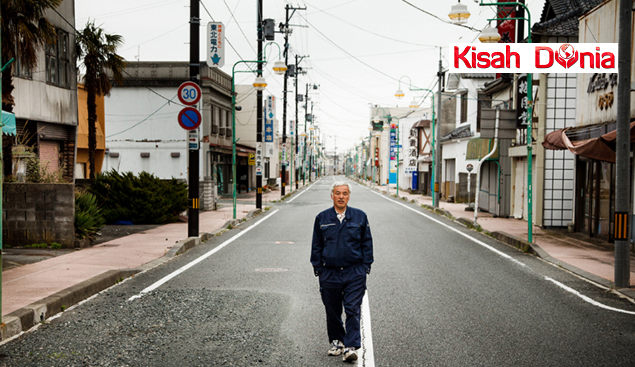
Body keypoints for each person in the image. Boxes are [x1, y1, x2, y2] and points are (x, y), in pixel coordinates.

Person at [311, 181, 373, 363]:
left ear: (349, 196)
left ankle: (350, 346)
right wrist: (319, 269)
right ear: (332, 195)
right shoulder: (322, 218)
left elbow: (367, 243)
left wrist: (365, 267)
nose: (341, 196)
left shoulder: (360, 217)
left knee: (353, 309)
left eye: (344, 193)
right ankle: (337, 342)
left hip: (354, 272)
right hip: (329, 273)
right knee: (332, 309)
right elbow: (316, 245)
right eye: (337, 193)